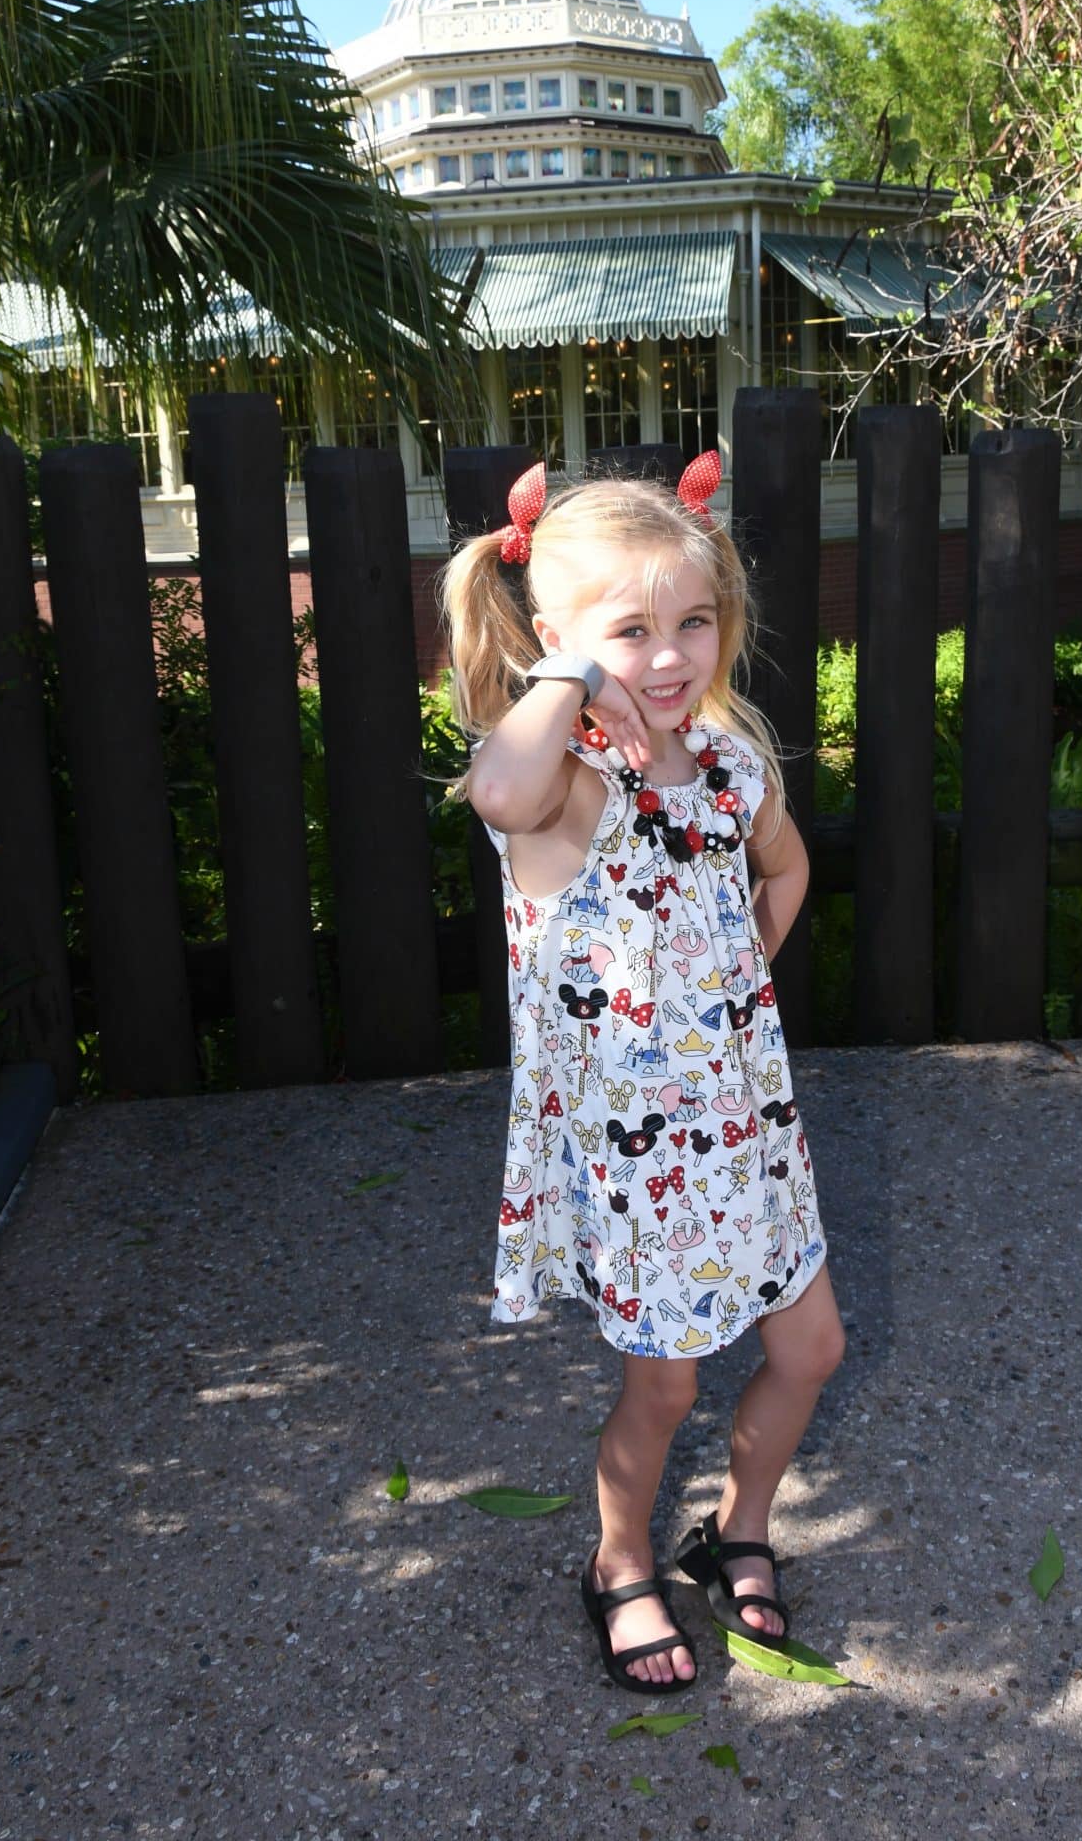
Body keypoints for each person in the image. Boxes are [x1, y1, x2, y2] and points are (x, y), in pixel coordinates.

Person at [439, 453, 845, 1693]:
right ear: (555, 638)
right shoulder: (569, 790)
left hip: (748, 1135)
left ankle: (737, 1530)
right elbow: (496, 789)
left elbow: (786, 874)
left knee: (809, 1349)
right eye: (630, 629)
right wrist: (570, 676)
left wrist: (730, 995)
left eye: (692, 621)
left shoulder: (730, 769)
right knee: (661, 1387)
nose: (669, 656)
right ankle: (620, 1563)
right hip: (640, 1166)